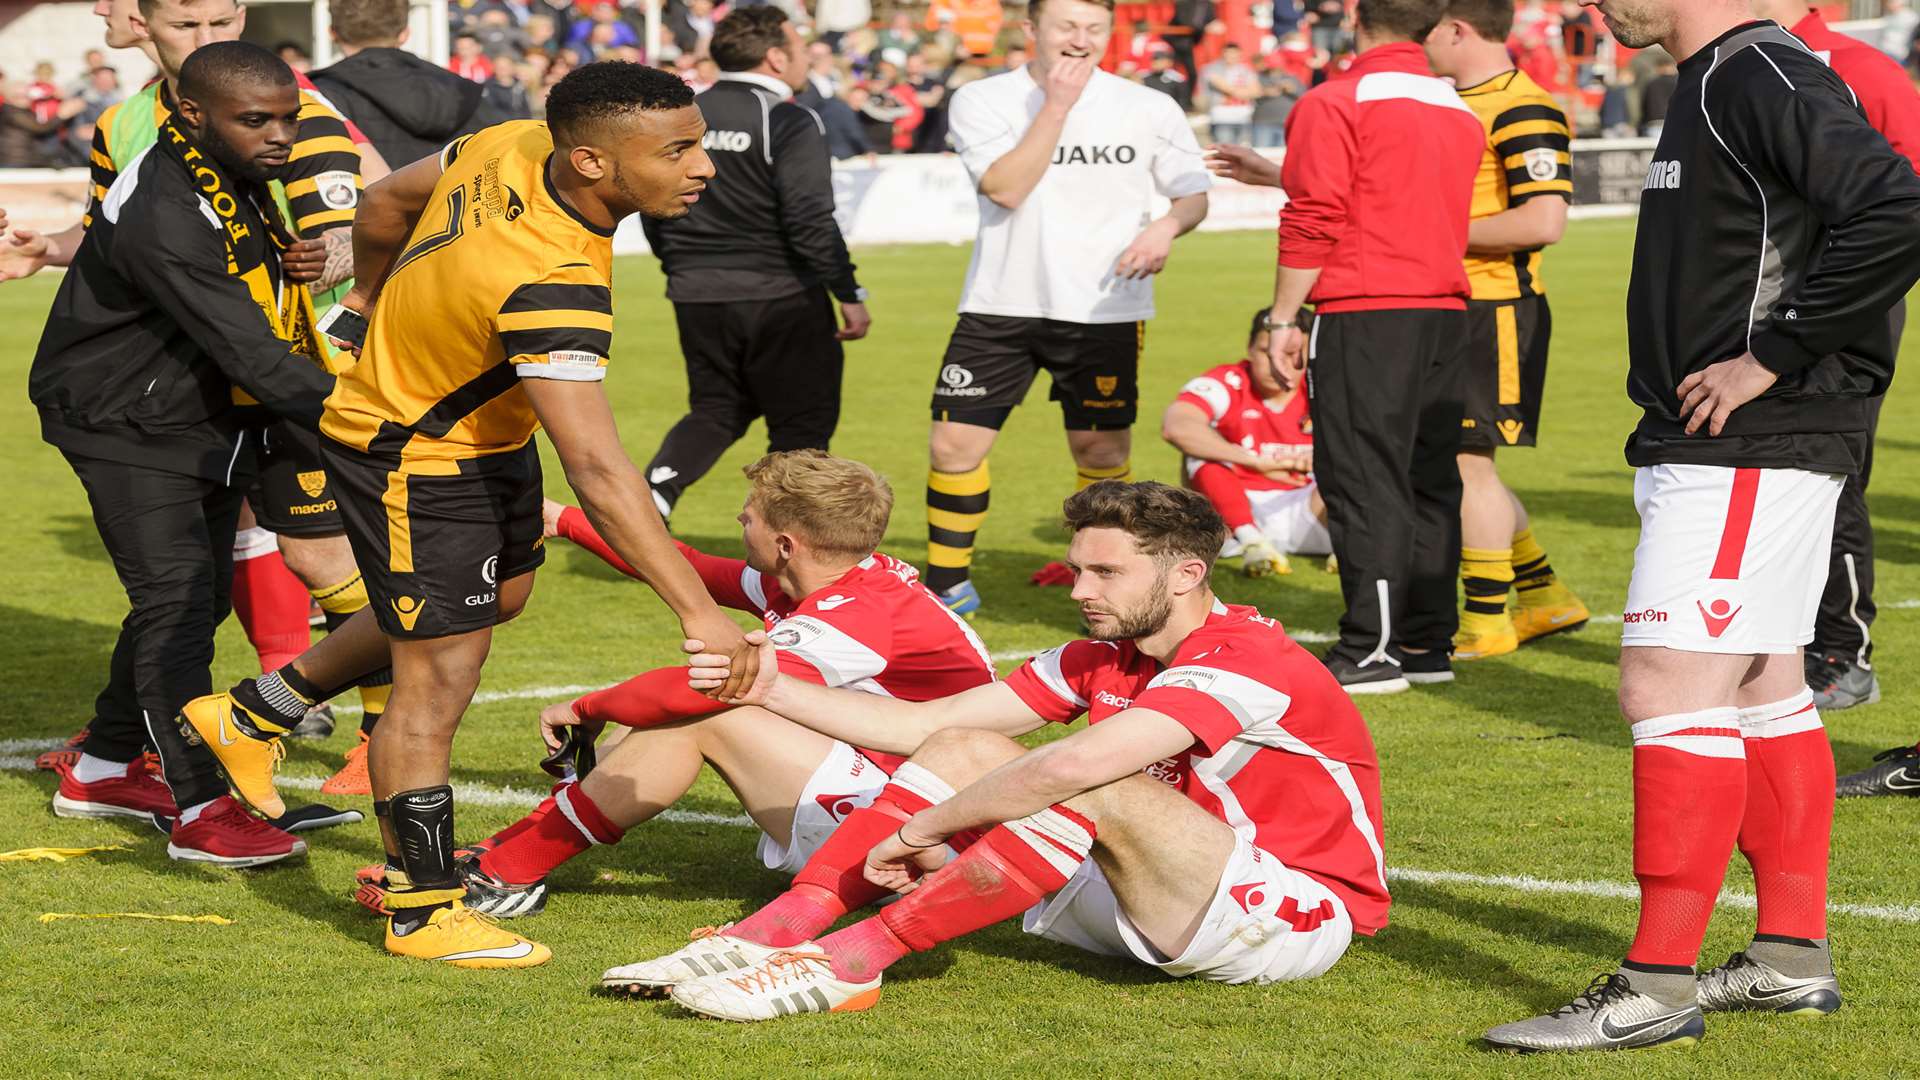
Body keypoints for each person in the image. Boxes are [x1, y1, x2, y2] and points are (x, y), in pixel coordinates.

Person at [177, 62, 759, 969]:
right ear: (595, 163)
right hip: (414, 456)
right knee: (438, 676)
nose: (704, 167)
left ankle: (256, 711)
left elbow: (379, 205)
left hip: (482, 434)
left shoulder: (509, 139)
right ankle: (422, 906)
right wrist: (698, 610)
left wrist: (362, 301)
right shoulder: (553, 280)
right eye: (677, 150)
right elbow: (601, 470)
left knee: (502, 597)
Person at [1485, 1, 1920, 1052]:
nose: (1594, 6)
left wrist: (1773, 354)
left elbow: (1898, 208)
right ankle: (1787, 958)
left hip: (1751, 443)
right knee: (1765, 690)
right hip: (1736, 445)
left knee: (1666, 687)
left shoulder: (1758, 71)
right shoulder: (1723, 74)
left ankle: (1656, 985)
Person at [630, 482, 1387, 1018]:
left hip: (1290, 917)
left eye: (1106, 572)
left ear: (1187, 573)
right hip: (1149, 894)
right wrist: (764, 686)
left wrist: (924, 829)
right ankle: (770, 935)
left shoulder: (1247, 657)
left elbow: (1074, 768)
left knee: (1093, 775)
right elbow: (933, 726)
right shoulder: (1106, 652)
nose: (1079, 589)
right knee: (967, 743)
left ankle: (849, 964)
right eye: (1081, 567)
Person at [8, 0, 394, 794]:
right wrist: (374, 422)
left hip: (218, 393)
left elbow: (365, 213)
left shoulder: (256, 129)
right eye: (186, 24)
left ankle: (108, 761)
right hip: (153, 404)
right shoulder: (148, 148)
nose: (281, 136)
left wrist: (322, 263)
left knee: (201, 591)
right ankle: (202, 802)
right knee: (186, 597)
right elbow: (224, 318)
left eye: (221, 20)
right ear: (142, 25)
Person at [358, 451, 994, 919]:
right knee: (678, 715)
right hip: (903, 801)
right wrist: (564, 520)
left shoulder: (856, 618)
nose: (738, 521)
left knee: (706, 714)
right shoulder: (831, 577)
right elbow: (687, 569)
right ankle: (498, 861)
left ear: (784, 544)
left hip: (920, 840)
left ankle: (503, 872)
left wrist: (585, 706)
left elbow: (706, 690)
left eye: (747, 517)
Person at [1209, 0, 1483, 694]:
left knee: (1364, 479)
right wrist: (1284, 169)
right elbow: (1388, 191)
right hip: (1446, 312)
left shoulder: (1337, 98)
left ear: (1358, 16)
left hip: (1367, 309)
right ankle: (1425, 645)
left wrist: (1279, 317)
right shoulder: (1453, 107)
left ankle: (1369, 649)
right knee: (1429, 479)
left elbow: (1317, 215)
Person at [921, 0, 1210, 617]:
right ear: (1031, 31)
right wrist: (1057, 106)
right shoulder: (984, 99)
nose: (1080, 40)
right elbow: (1005, 187)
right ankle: (945, 586)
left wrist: (1166, 228)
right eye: (1066, 27)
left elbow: (1192, 195)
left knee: (1100, 455)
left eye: (1094, 28)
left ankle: (1102, 577)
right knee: (953, 447)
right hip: (1001, 303)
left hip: (1105, 307)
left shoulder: (1148, 106)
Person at [1754, 0, 1920, 716]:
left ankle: (1841, 654)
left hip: (1844, 312)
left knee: (1833, 474)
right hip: (1757, 311)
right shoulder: (1736, 68)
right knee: (1774, 475)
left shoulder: (1863, 71)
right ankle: (1781, 646)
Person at [639, 7, 870, 518]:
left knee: (717, 409)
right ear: (774, 55)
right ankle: (785, 545)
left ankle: (654, 490)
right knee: (801, 428)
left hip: (697, 294)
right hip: (781, 297)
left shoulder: (682, 116)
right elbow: (811, 220)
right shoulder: (788, 117)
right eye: (799, 43)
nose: (807, 53)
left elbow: (653, 206)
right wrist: (849, 295)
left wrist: (682, 267)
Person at [1422, 0, 1590, 662]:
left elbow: (1542, 221)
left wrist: (1427, 236)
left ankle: (1487, 621)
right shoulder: (1457, 101)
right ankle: (1544, 596)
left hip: (1494, 308)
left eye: (1428, 27)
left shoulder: (1523, 105)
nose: (1420, 39)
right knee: (1461, 462)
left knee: (1468, 465)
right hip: (1457, 304)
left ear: (1458, 29)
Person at [1162, 306, 1327, 578]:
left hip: (1307, 508)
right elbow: (1177, 426)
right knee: (1200, 453)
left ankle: (1350, 542)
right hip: (1234, 515)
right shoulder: (1229, 381)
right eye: (1267, 352)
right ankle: (1253, 543)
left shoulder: (1323, 387)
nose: (1279, 364)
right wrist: (1255, 461)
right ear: (1250, 349)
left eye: (1291, 354)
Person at [309, 0, 514, 168]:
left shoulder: (317, 96)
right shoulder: (463, 91)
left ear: (332, 33)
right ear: (405, 33)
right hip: (450, 213)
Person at [1202, 42, 1258, 143]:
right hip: (1222, 117)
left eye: (1234, 53)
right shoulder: (1212, 68)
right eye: (1228, 53)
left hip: (1244, 116)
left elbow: (1256, 91)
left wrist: (1236, 91)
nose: (1231, 56)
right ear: (1223, 53)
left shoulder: (1246, 69)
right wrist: (1244, 91)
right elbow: (1224, 87)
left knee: (1243, 152)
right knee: (1225, 150)